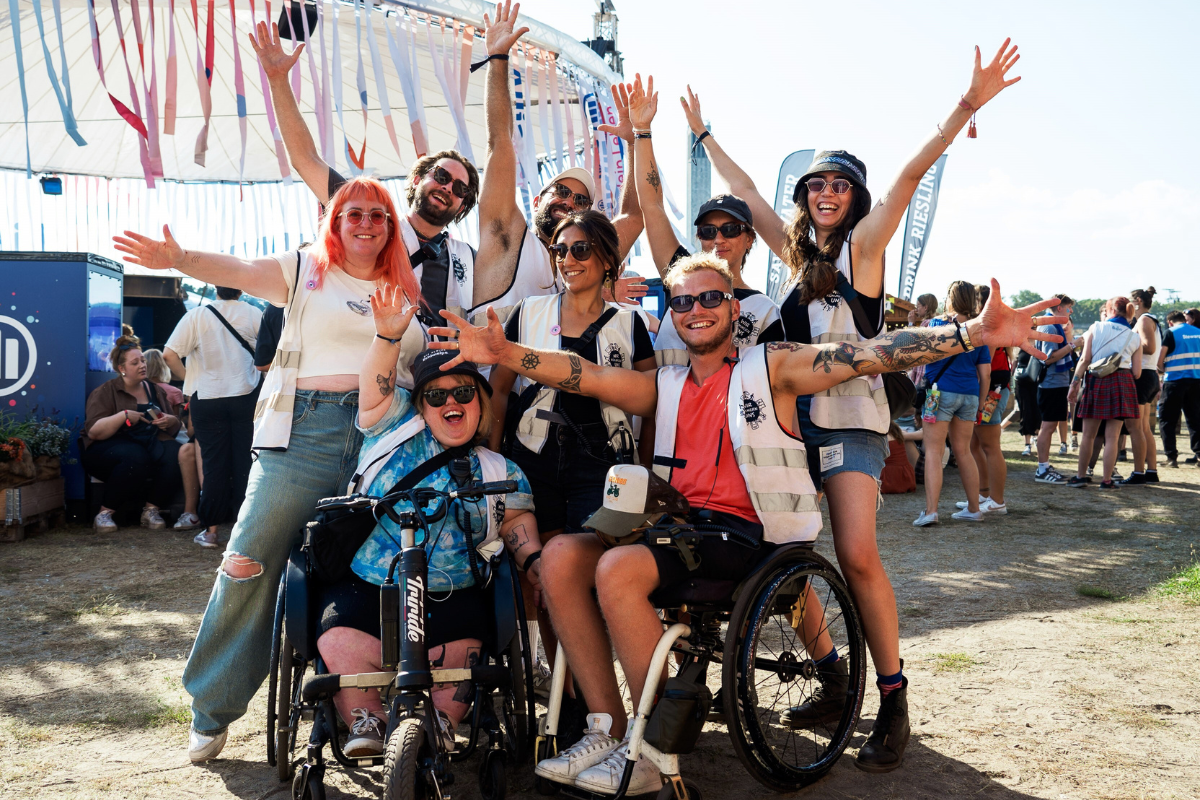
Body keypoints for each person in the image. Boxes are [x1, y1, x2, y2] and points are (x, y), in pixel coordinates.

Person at [429, 255, 1062, 790]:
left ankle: (651, 753)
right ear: (672, 315)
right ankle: (608, 730)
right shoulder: (667, 382)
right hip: (679, 529)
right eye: (683, 302)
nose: (696, 309)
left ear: (734, 307)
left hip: (751, 538)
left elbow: (869, 354)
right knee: (563, 555)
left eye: (710, 298)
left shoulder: (774, 365)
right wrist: (507, 352)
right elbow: (584, 374)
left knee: (618, 568)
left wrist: (971, 332)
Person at [677, 41, 1021, 740]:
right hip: (788, 429)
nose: (824, 192)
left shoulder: (865, 250)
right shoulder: (796, 258)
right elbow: (746, 195)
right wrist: (703, 135)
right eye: (814, 185)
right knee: (779, 556)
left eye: (838, 184)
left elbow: (907, 179)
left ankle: (892, 698)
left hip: (852, 429)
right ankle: (831, 676)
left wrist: (965, 107)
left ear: (854, 198)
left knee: (858, 554)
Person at [113, 176, 427, 763]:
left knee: (378, 567)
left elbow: (420, 361)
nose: (365, 224)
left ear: (390, 228)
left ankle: (369, 704)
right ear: (334, 222)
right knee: (248, 558)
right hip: (304, 433)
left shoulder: (403, 289)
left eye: (377, 216)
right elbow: (241, 270)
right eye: (352, 214)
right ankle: (212, 707)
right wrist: (180, 259)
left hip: (381, 441)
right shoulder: (307, 267)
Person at [317, 291, 543, 756]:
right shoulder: (391, 428)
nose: (450, 404)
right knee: (337, 634)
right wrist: (386, 335)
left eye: (463, 393)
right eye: (436, 396)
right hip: (371, 586)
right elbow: (376, 386)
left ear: (479, 402)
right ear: (421, 406)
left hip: (454, 595)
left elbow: (520, 530)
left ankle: (440, 720)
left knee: (469, 644)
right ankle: (368, 719)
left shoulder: (502, 471)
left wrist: (538, 565)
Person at [249, 21, 479, 319]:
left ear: (464, 205)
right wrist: (278, 80)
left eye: (461, 189)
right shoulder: (370, 220)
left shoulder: (468, 260)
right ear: (418, 178)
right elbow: (306, 160)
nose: (448, 188)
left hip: (431, 362)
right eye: (442, 176)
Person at [473, 1, 645, 326]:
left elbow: (635, 216)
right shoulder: (509, 236)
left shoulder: (584, 257)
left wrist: (636, 142)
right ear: (537, 200)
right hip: (483, 376)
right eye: (562, 191)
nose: (569, 202)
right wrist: (497, 60)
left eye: (581, 201)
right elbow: (500, 143)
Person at [628, 75, 783, 367]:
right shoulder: (679, 280)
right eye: (708, 231)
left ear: (750, 238)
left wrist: (702, 133)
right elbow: (651, 205)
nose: (718, 239)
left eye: (731, 229)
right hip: (667, 414)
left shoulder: (765, 312)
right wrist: (642, 131)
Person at [165, 287, 263, 547]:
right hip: (246, 397)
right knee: (247, 463)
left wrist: (190, 379)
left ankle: (211, 531)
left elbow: (169, 355)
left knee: (213, 465)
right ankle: (247, 535)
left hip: (206, 398)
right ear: (241, 288)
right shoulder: (254, 313)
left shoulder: (197, 315)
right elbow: (270, 355)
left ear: (216, 288)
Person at [81, 334, 184, 533]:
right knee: (135, 456)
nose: (142, 365)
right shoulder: (105, 391)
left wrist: (170, 420)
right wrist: (124, 416)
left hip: (148, 441)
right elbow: (94, 431)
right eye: (135, 362)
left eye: (143, 360)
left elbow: (173, 424)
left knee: (175, 453)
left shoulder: (155, 389)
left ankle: (151, 510)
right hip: (107, 447)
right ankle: (104, 514)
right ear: (122, 369)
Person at [913, 282, 991, 526]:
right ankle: (974, 508)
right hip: (969, 395)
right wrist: (980, 404)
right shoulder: (979, 329)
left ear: (950, 298)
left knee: (934, 451)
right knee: (964, 451)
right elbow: (985, 373)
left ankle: (931, 511)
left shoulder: (936, 325)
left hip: (939, 393)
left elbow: (921, 356)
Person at [1067, 298, 1144, 489]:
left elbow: (1084, 359)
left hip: (1096, 380)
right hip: (1122, 382)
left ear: (1110, 309)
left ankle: (1081, 476)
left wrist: (1074, 384)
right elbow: (1137, 373)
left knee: (1088, 435)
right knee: (1113, 437)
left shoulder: (1096, 327)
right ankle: (1107, 480)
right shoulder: (1134, 337)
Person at [957, 283, 1011, 514]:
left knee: (990, 445)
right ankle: (984, 494)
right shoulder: (993, 324)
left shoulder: (991, 325)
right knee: (975, 445)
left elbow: (985, 363)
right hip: (991, 389)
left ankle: (997, 501)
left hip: (991, 391)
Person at [145, 347, 203, 531]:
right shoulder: (176, 392)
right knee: (182, 450)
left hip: (160, 441)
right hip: (173, 440)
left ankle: (191, 511)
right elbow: (180, 425)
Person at [1033, 295, 1080, 483]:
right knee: (1048, 427)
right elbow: (1048, 358)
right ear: (1059, 309)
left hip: (1056, 383)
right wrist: (1073, 345)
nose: (1071, 312)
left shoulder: (1053, 325)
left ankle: (1044, 466)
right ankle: (1042, 469)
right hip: (1050, 384)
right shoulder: (1049, 326)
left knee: (1050, 427)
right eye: (1069, 308)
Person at [1127, 287, 1162, 483]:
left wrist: (1126, 348)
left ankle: (1139, 472)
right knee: (1144, 428)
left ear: (1138, 301)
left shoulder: (1144, 320)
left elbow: (1149, 347)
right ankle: (1151, 471)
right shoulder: (1149, 319)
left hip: (1143, 376)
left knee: (1137, 428)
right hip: (1149, 376)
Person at [1158, 309, 1200, 467]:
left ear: (1169, 322)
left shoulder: (1170, 333)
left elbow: (1160, 360)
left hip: (1175, 381)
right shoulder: (1198, 332)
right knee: (1195, 419)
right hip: (1196, 380)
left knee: (1167, 419)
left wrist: (1163, 370)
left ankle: (1171, 457)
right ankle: (1199, 455)